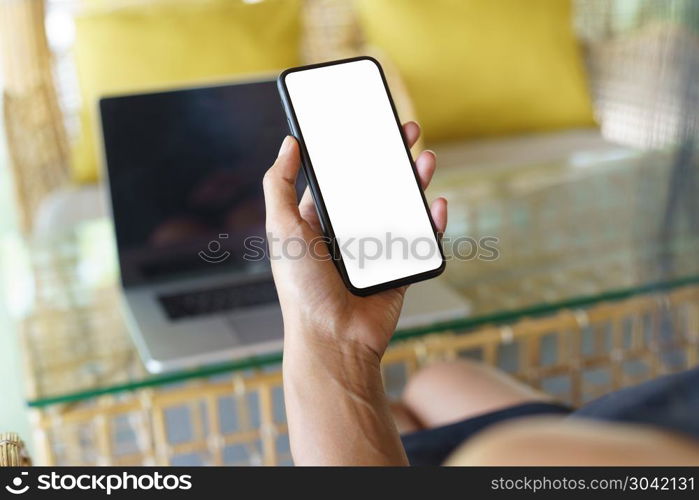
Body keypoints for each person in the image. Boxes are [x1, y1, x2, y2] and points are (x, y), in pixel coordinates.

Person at [262, 123, 699, 466]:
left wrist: (331, 340)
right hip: (610, 433)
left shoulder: (514, 455)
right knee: (439, 378)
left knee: (398, 416)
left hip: (568, 446)